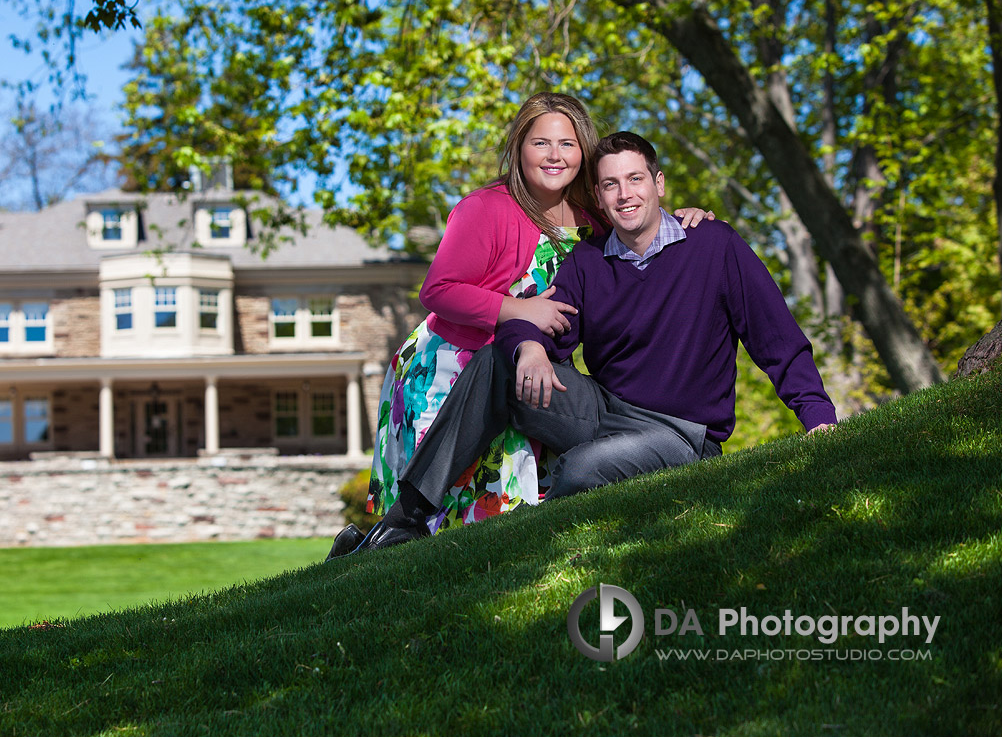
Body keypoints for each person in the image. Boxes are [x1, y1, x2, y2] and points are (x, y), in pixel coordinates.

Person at [347, 130, 837, 553]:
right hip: (605, 411)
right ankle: (402, 524)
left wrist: (818, 419)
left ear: (659, 184)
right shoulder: (589, 260)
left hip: (681, 435)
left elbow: (776, 337)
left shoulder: (714, 245)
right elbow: (536, 320)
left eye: (635, 179)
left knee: (583, 467)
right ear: (598, 200)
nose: (625, 194)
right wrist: (531, 347)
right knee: (499, 359)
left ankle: (520, 553)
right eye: (610, 185)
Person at [329, 101, 713, 559]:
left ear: (583, 151)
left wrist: (687, 218)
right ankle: (381, 546)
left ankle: (361, 551)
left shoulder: (593, 216)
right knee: (450, 510)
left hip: (529, 370)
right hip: (454, 368)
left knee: (494, 517)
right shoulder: (487, 208)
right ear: (519, 149)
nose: (555, 155)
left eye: (567, 143)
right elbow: (439, 289)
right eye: (541, 143)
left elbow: (641, 226)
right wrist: (516, 310)